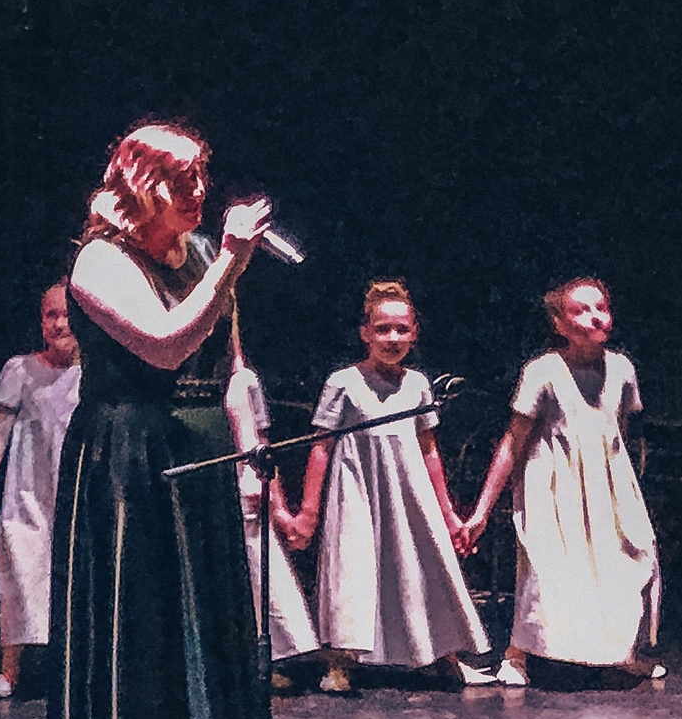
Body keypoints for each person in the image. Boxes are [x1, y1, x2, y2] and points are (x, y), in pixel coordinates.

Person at [34, 121, 287, 719]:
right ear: (142, 185)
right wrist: (233, 262)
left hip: (203, 456)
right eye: (182, 180)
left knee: (209, 629)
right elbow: (167, 344)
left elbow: (231, 369)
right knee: (139, 634)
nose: (199, 192)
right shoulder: (98, 261)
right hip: (130, 460)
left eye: (201, 176)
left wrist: (249, 451)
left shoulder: (205, 254)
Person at [284, 281, 492, 690]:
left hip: (408, 493)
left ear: (414, 333)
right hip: (358, 490)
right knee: (353, 567)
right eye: (382, 329)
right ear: (365, 333)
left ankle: (437, 652)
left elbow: (428, 449)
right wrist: (308, 510)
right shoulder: (344, 382)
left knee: (421, 565)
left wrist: (448, 512)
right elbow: (321, 447)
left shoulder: (417, 384)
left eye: (401, 329)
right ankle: (342, 660)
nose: (392, 338)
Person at [460, 277, 662, 684]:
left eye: (600, 307)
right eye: (581, 310)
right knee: (547, 568)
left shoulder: (621, 369)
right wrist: (482, 510)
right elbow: (514, 440)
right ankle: (518, 655)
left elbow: (619, 430)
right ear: (559, 323)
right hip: (553, 483)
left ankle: (622, 649)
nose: (594, 317)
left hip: (607, 483)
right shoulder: (544, 371)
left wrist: (622, 483)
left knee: (631, 558)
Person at [0, 280, 80, 698]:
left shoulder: (93, 373)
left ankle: (77, 668)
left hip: (73, 488)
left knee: (74, 575)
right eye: (51, 315)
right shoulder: (20, 369)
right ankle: (9, 669)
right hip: (29, 491)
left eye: (67, 315)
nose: (59, 323)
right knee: (20, 571)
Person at [226, 363, 322, 683]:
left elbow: (261, 444)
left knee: (259, 566)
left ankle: (278, 656)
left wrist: (278, 507)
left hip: (245, 483)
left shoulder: (245, 380)